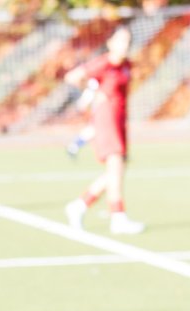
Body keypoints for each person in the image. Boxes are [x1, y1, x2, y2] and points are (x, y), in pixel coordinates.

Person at [63, 25, 144, 235]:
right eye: (120, 40)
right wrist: (92, 91)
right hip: (105, 119)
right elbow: (73, 77)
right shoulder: (103, 63)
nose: (125, 45)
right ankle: (118, 217)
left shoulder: (126, 64)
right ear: (111, 43)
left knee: (116, 170)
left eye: (128, 41)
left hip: (119, 120)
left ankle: (79, 205)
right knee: (115, 165)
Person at [64, 79, 99, 158]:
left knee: (93, 132)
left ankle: (73, 146)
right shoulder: (90, 92)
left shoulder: (93, 92)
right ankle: (73, 146)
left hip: (99, 116)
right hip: (97, 116)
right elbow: (82, 106)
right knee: (92, 132)